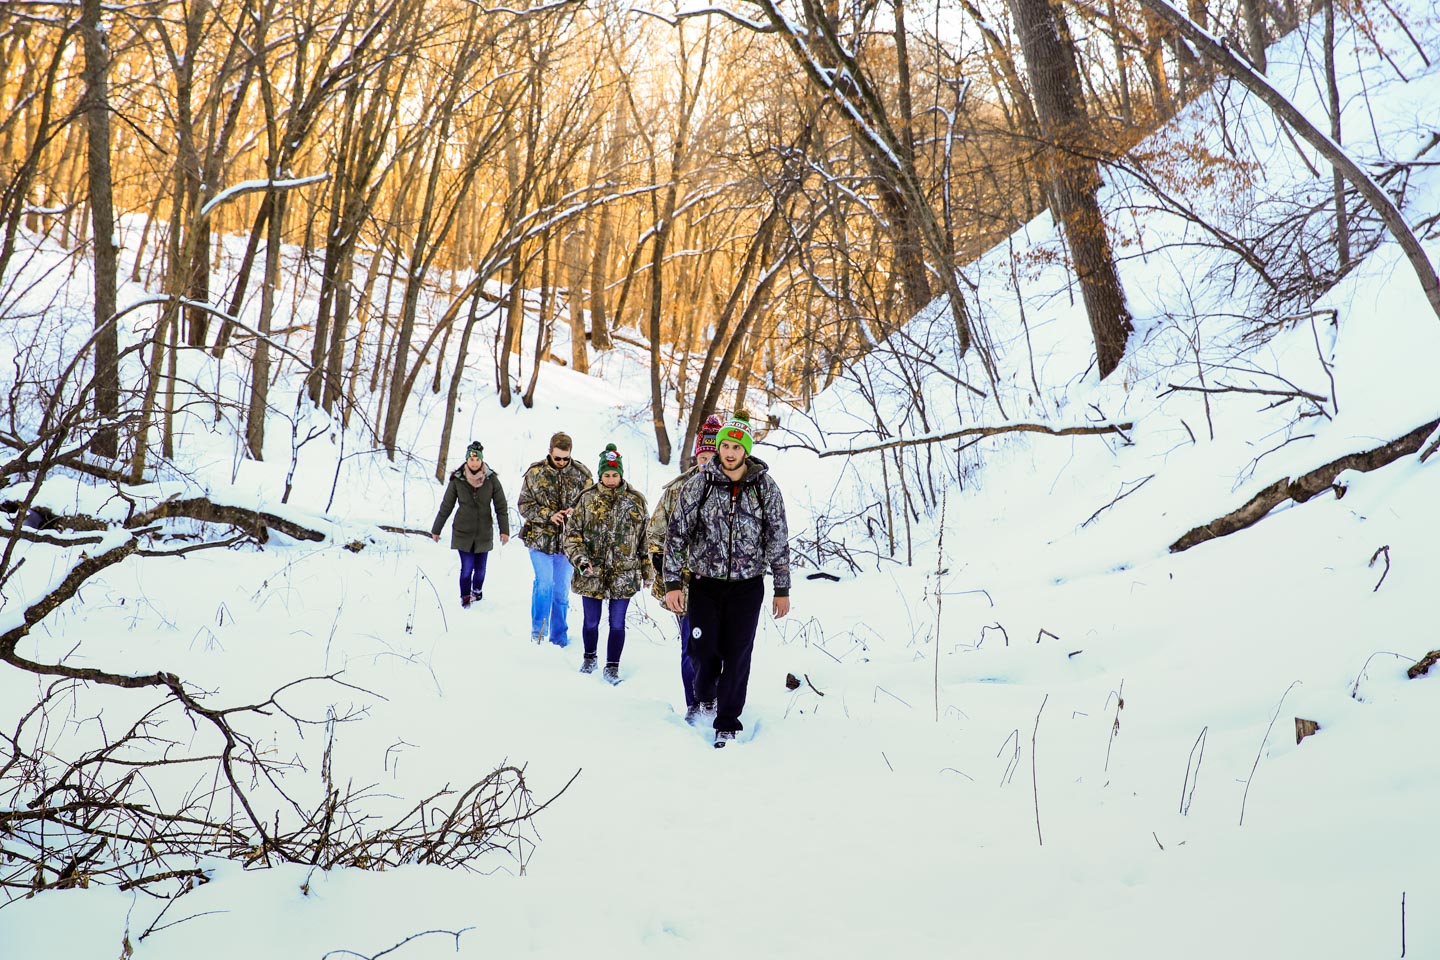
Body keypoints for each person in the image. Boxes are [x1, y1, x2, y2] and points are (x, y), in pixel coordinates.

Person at [664, 413, 791, 747]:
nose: (730, 452)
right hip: (705, 582)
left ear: (745, 450)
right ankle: (705, 694)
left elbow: (777, 538)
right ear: (718, 448)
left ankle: (728, 722)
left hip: (748, 586)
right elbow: (676, 534)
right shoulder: (700, 484)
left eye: (737, 446)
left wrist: (782, 588)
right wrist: (673, 583)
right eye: (726, 445)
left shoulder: (765, 488)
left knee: (738, 654)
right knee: (703, 649)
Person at [646, 413, 723, 722]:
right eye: (702, 456)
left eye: (712, 456)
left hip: (720, 584)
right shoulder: (677, 490)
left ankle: (712, 697)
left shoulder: (732, 489)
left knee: (717, 646)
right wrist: (663, 567)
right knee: (691, 645)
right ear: (696, 457)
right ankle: (693, 701)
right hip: (686, 585)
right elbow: (655, 531)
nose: (707, 461)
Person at [564, 444, 650, 683]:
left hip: (624, 573)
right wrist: (581, 561)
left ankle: (612, 666)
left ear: (621, 474)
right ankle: (589, 657)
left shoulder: (636, 501)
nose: (611, 479)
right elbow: (571, 536)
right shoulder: (587, 499)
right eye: (607, 475)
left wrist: (646, 569)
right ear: (600, 475)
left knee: (617, 622)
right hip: (591, 573)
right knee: (591, 621)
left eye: (615, 474)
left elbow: (645, 538)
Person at [517, 431, 593, 645]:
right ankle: (538, 633)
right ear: (549, 452)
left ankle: (559, 637)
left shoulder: (582, 474)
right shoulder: (535, 473)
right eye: (557, 457)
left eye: (565, 458)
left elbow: (591, 505)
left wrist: (574, 512)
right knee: (544, 584)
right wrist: (548, 515)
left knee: (561, 591)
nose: (561, 462)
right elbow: (524, 505)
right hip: (540, 540)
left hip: (567, 545)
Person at [431, 440, 509, 609]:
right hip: (462, 532)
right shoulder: (457, 479)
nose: (474, 463)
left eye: (477, 460)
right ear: (467, 460)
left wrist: (505, 531)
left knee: (480, 570)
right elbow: (446, 506)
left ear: (481, 460)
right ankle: (465, 597)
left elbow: (501, 506)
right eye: (471, 460)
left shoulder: (491, 479)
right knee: (467, 568)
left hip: (483, 533)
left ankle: (477, 592)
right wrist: (436, 529)